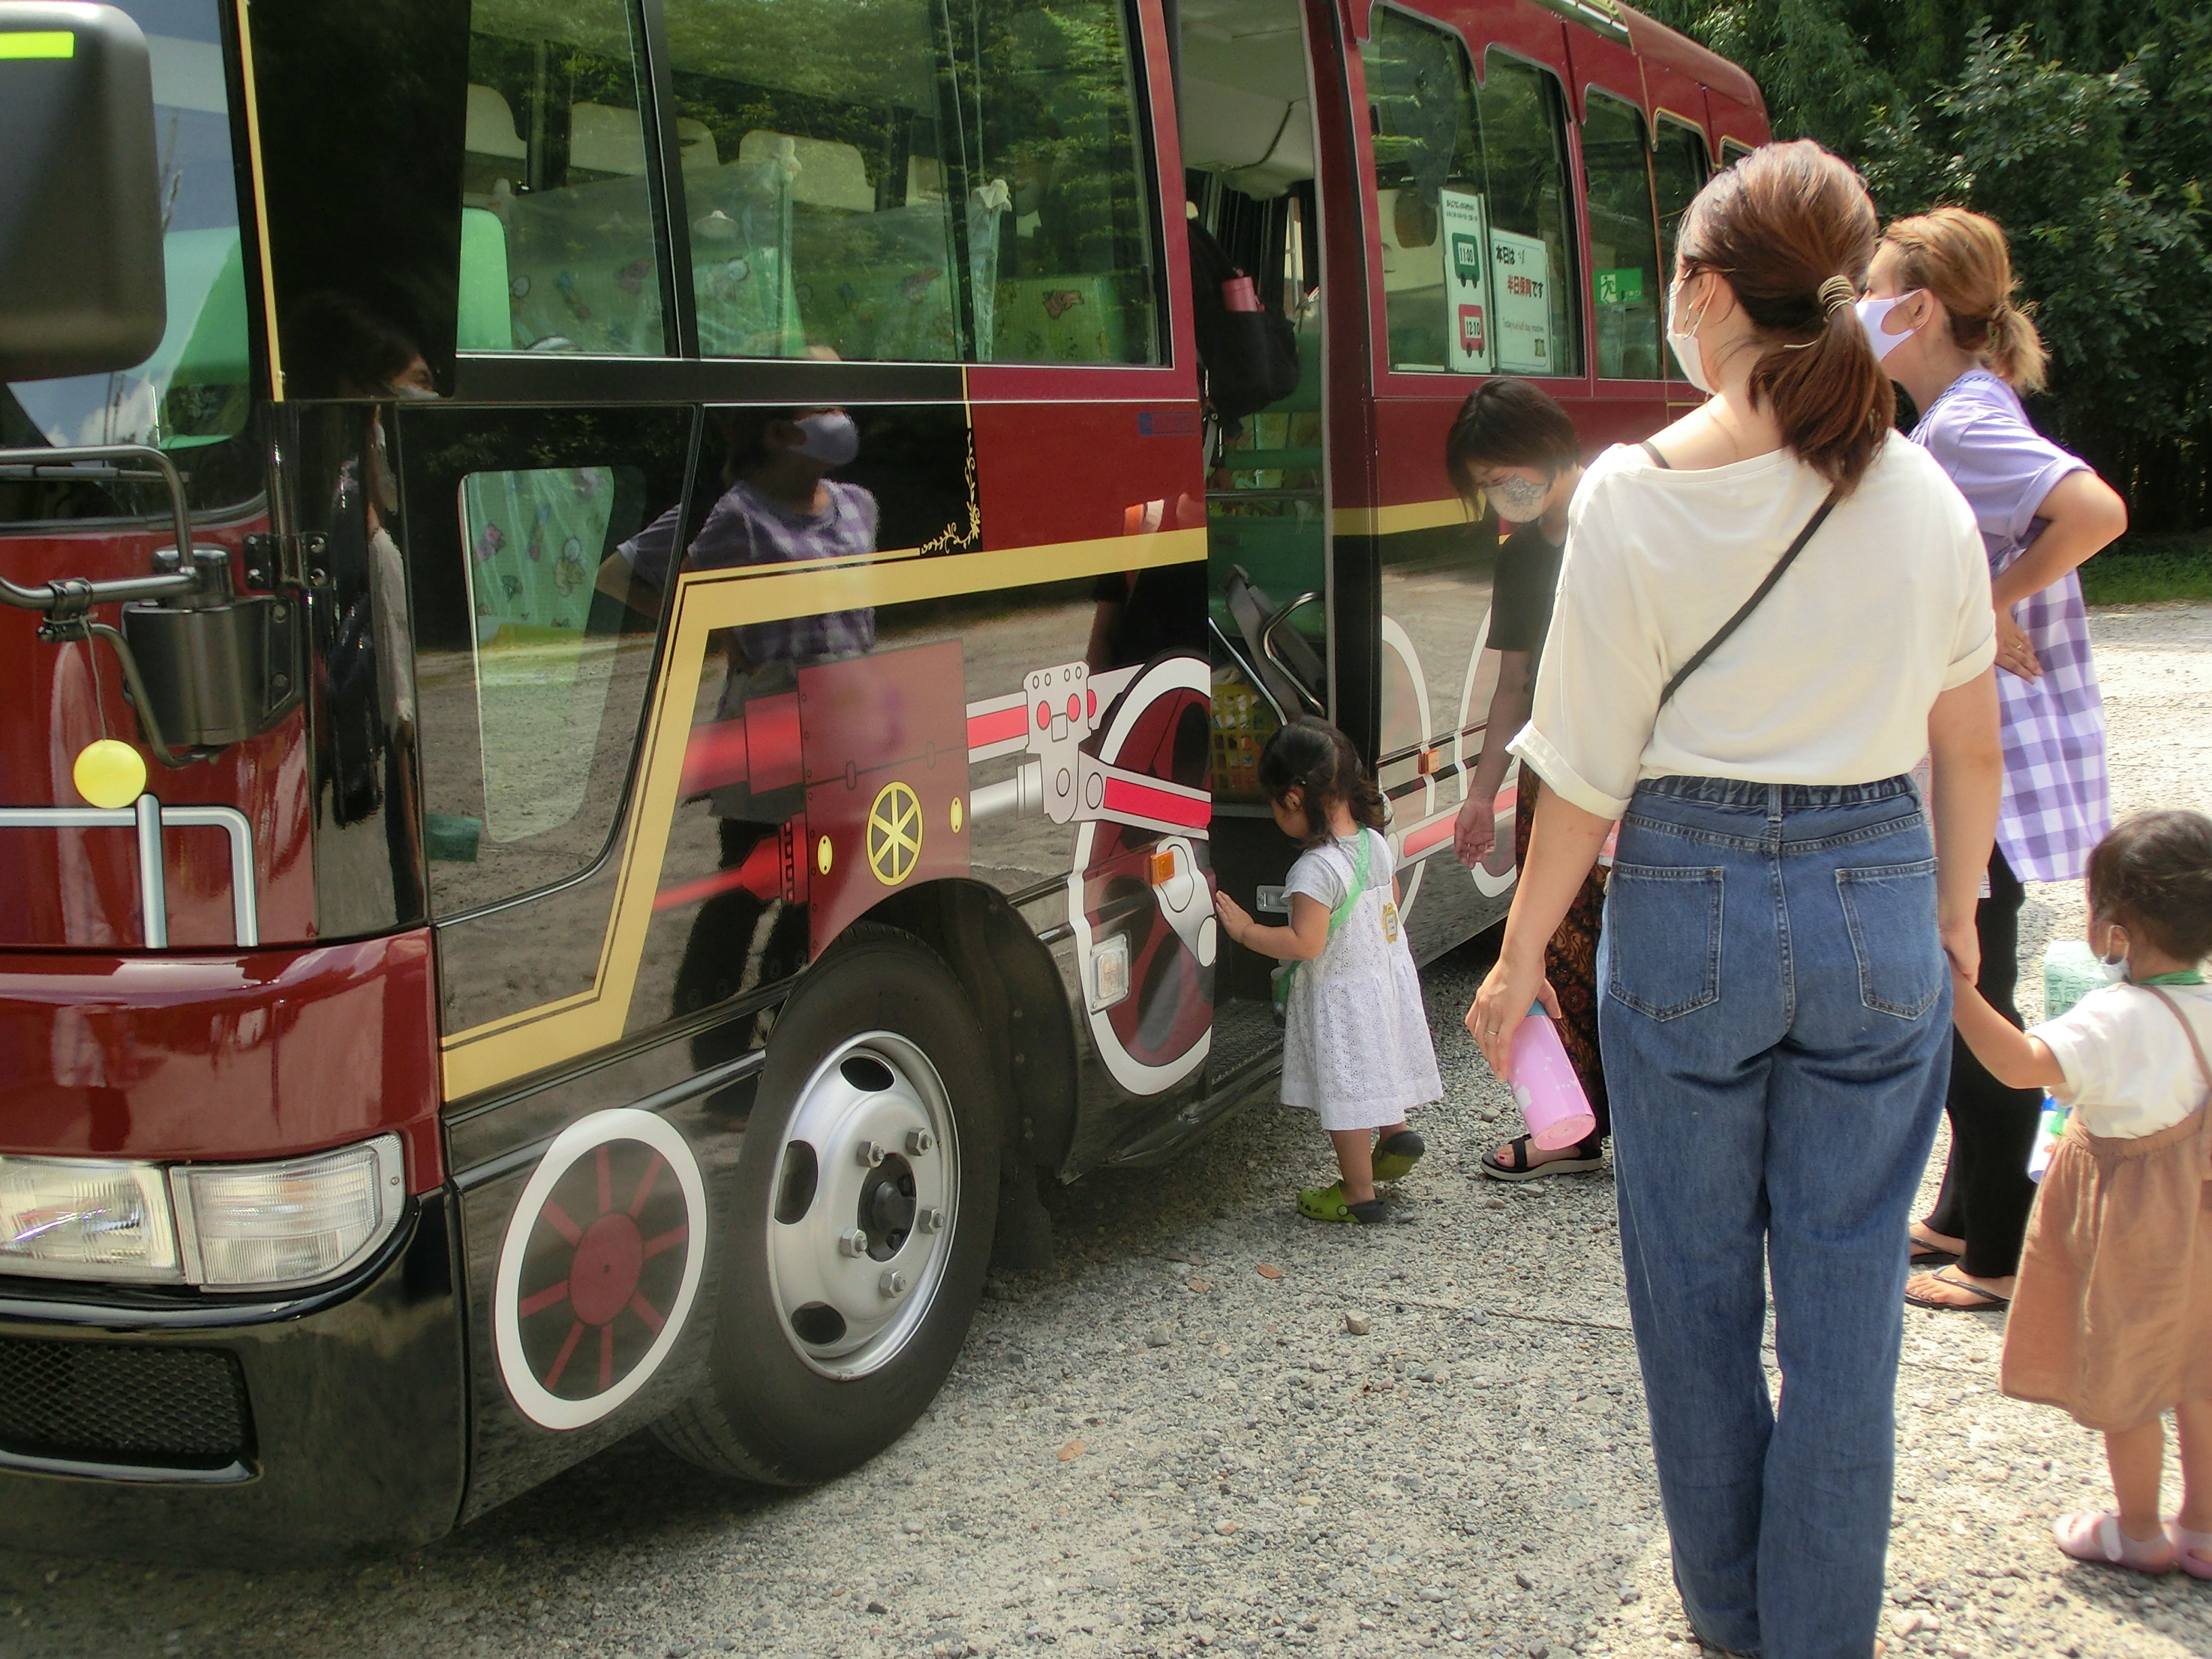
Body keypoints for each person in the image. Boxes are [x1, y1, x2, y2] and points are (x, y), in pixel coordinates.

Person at [1465, 140, 2003, 1659]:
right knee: (1849, 1320)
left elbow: (1577, 773)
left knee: (1693, 1305)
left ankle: (1730, 1626)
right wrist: (1953, 918)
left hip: (1687, 898)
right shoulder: (1925, 500)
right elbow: (1969, 744)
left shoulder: (1633, 496)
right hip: (1878, 891)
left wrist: (1517, 962)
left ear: (1705, 289)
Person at [1860, 207, 2131, 1311]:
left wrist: (1989, 600)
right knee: (1970, 980)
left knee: (1975, 989)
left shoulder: (1960, 424)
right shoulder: (1960, 414)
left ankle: (1995, 1255)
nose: (1858, 308)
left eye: (1872, 287)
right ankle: (1961, 1211)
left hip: (1992, 766)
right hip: (1990, 760)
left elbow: (2094, 508)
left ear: (1917, 307)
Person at [1944, 808, 2212, 1576]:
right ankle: (2201, 1529)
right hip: (2201, 1219)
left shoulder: (2115, 1016)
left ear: (2115, 932)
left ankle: (2137, 1531)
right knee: (2200, 1375)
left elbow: (2022, 1067)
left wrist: (1960, 990)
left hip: (2131, 1222)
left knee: (2126, 1380)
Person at [1446, 379, 1605, 1179]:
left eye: (1502, 471)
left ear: (1546, 446)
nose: (1500, 492)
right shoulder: (1522, 558)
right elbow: (1515, 684)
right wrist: (1483, 792)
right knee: (1556, 946)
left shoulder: (1620, 518)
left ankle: (1645, 1122)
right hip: (1556, 769)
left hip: (1634, 767)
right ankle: (1568, 1124)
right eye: (1485, 483)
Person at [1214, 717, 1441, 1224]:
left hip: (1343, 996)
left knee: (1346, 1094)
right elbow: (1390, 902)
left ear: (1294, 800)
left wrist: (1248, 932)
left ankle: (1359, 1195)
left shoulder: (1313, 871)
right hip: (1381, 979)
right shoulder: (1373, 844)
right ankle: (1396, 1132)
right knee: (1374, 1066)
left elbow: (1306, 943)